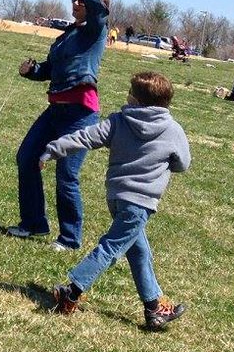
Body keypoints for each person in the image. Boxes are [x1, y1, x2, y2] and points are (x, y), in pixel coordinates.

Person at [46, 71, 191, 331]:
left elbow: (86, 137)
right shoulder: (173, 130)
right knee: (112, 247)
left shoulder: (118, 121)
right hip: (141, 204)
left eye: (130, 92)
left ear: (135, 100)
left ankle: (153, 308)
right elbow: (182, 164)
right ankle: (71, 291)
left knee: (139, 251)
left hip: (116, 198)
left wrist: (54, 148)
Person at [12, 0, 110, 251]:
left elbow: (97, 6)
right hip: (55, 112)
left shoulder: (95, 30)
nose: (78, 2)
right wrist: (32, 70)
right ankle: (33, 223)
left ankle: (70, 238)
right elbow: (50, 71)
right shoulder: (66, 36)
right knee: (26, 157)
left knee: (67, 174)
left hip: (80, 115)